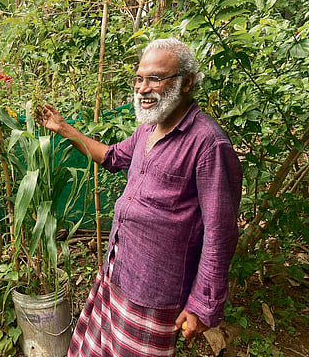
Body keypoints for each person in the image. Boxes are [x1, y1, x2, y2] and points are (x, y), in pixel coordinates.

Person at [35, 37, 242, 357]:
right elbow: (112, 156)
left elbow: (220, 234)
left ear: (186, 82)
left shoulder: (208, 144)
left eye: (155, 78)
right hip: (117, 271)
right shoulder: (148, 130)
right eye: (139, 78)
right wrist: (64, 128)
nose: (143, 88)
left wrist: (202, 305)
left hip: (154, 292)